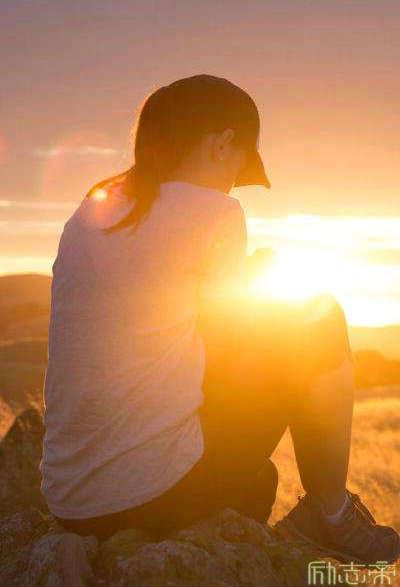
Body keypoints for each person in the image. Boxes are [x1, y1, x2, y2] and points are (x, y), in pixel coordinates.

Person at [41, 75, 399, 565]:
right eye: (238, 164)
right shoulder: (216, 211)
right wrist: (262, 288)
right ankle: (331, 512)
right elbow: (226, 348)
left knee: (257, 479)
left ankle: (295, 505)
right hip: (155, 495)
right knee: (321, 318)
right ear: (223, 143)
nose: (233, 181)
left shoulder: (90, 212)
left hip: (69, 503)